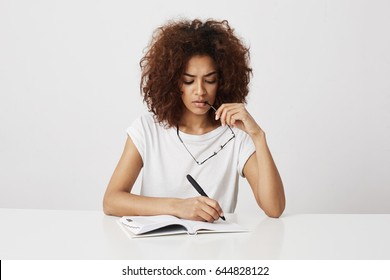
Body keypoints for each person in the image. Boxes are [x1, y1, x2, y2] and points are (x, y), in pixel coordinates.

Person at [103, 18, 285, 222]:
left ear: (223, 82)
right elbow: (111, 201)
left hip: (215, 249)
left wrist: (258, 136)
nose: (200, 91)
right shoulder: (147, 129)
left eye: (210, 80)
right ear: (173, 82)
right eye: (188, 81)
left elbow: (274, 208)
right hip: (155, 249)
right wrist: (177, 206)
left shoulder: (237, 137)